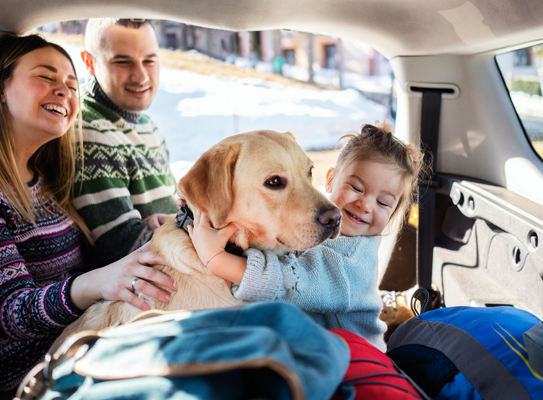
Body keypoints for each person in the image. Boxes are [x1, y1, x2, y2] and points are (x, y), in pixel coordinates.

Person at [0, 34, 177, 397]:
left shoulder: (48, 184)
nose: (63, 91)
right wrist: (95, 283)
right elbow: (10, 312)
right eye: (46, 77)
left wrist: (152, 229)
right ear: (2, 88)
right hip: (35, 376)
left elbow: (72, 271)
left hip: (88, 345)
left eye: (70, 83)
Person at [189, 122, 424, 351]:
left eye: (383, 202)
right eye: (356, 188)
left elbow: (286, 282)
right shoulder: (331, 233)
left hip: (355, 362)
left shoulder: (350, 261)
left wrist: (215, 258)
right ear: (330, 180)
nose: (365, 205)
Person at [73, 18, 178, 267]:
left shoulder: (147, 125)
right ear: (90, 63)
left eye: (149, 60)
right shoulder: (88, 131)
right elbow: (123, 247)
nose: (141, 76)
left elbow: (174, 208)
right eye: (123, 62)